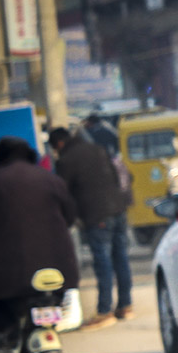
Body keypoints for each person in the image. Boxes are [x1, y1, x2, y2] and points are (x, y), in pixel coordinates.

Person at [0, 137, 80, 353]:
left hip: (4, 276)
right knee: (55, 294)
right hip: (59, 270)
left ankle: (7, 333)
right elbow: (70, 216)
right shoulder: (51, 180)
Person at [49, 126, 133, 329]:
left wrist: (69, 217)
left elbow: (62, 192)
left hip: (97, 215)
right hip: (118, 210)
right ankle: (125, 305)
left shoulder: (66, 160)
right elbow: (116, 176)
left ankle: (105, 311)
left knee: (102, 262)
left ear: (59, 144)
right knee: (120, 257)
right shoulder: (97, 149)